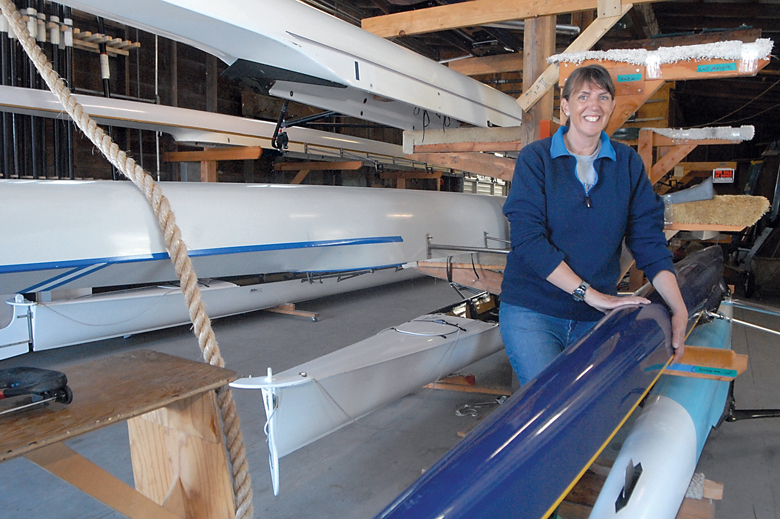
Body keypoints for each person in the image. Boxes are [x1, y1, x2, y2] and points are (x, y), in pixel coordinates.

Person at [499, 64, 688, 386]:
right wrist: (591, 295)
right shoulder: (536, 159)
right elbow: (528, 240)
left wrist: (679, 308)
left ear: (612, 106)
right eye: (583, 96)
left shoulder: (628, 163)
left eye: (603, 97)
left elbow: (648, 240)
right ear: (566, 106)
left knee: (589, 401)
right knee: (549, 401)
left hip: (594, 316)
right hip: (533, 310)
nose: (594, 105)